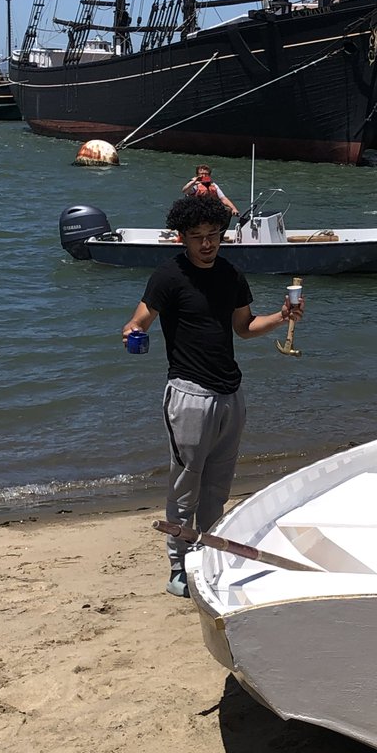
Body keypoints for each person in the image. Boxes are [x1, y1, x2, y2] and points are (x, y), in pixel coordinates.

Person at [121, 196, 304, 597]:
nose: (206, 244)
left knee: (217, 488)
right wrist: (132, 330)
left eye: (213, 235)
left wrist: (282, 316)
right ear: (182, 237)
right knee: (185, 485)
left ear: (222, 235)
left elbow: (244, 327)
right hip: (189, 395)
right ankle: (178, 567)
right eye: (197, 236)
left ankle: (206, 557)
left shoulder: (231, 274)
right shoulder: (168, 276)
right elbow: (141, 318)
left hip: (230, 394)